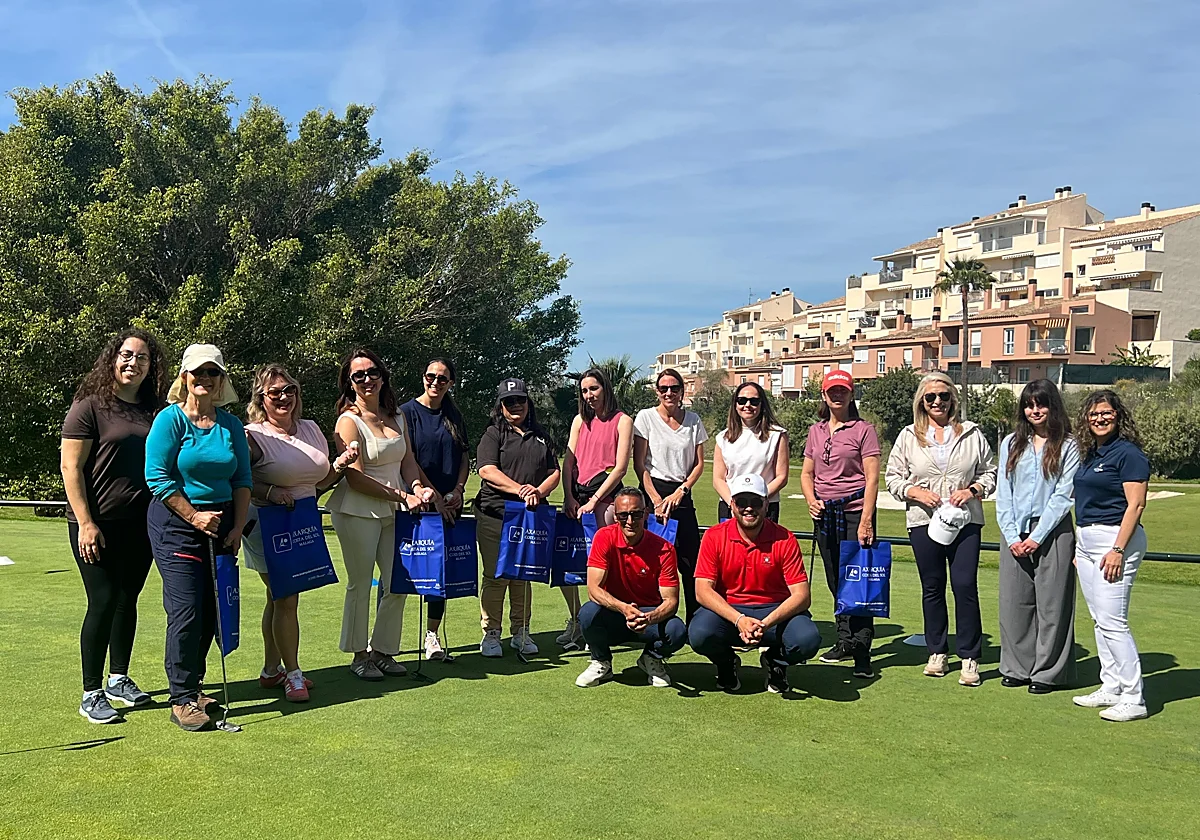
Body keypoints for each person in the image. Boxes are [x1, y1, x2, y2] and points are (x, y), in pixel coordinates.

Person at [61, 329, 167, 724]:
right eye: (126, 355)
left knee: (128, 599)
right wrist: (86, 522)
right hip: (96, 523)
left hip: (140, 524)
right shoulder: (89, 406)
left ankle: (118, 679)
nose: (133, 363)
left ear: (151, 367)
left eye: (142, 358)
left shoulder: (153, 410)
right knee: (103, 601)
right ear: (112, 359)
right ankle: (91, 693)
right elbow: (71, 467)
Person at [144, 344, 251, 731]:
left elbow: (242, 479)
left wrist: (237, 527)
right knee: (187, 608)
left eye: (213, 373)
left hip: (221, 522)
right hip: (176, 522)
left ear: (222, 380)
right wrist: (193, 515)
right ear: (184, 378)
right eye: (197, 372)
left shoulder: (231, 425)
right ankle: (181, 696)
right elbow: (157, 476)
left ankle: (195, 685)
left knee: (212, 609)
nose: (204, 379)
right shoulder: (170, 420)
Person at [242, 364, 359, 702]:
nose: (283, 398)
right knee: (286, 597)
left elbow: (315, 483)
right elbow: (242, 482)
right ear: (261, 398)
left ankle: (270, 670)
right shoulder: (253, 434)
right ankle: (292, 674)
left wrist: (339, 465)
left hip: (302, 521)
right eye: (274, 392)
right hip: (267, 523)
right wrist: (271, 493)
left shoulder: (309, 428)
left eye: (289, 390)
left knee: (277, 598)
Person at [884, 372, 997, 687]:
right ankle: (937, 651)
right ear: (922, 400)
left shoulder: (972, 434)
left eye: (943, 396)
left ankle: (970, 656)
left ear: (953, 399)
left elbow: (990, 471)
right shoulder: (909, 435)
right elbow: (892, 477)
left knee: (964, 586)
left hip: (965, 521)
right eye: (930, 397)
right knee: (932, 588)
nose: (937, 402)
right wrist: (916, 493)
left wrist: (972, 490)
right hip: (924, 521)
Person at [328, 349, 434, 681]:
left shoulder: (397, 416)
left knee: (398, 582)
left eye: (372, 372)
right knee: (360, 584)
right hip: (357, 509)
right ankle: (359, 655)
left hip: (395, 509)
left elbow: (407, 461)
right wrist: (403, 494)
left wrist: (417, 486)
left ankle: (383, 651)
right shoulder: (348, 421)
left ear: (382, 375)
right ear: (349, 382)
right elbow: (356, 477)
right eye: (358, 375)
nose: (367, 379)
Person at [689, 474, 821, 694]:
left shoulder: (785, 538)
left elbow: (802, 595)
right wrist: (739, 620)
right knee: (700, 634)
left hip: (773, 612)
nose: (748, 508)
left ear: (766, 504)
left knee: (807, 640)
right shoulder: (714, 536)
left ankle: (776, 661)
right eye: (742, 502)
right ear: (732, 505)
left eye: (755, 502)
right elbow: (702, 591)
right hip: (730, 612)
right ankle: (726, 663)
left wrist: (765, 624)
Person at [995, 379, 1080, 695]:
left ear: (1052, 406)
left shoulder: (1069, 445)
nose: (1035, 410)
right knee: (1014, 605)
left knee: (1053, 606)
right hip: (1014, 533)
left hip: (1053, 533)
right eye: (1029, 405)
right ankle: (1017, 667)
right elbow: (1004, 493)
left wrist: (1038, 536)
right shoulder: (1010, 444)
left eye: (1041, 404)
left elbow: (1063, 495)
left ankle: (1047, 673)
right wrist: (1012, 534)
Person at [1070, 389, 1150, 722]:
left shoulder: (1128, 454)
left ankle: (1134, 697)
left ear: (1118, 416)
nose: (1100, 419)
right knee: (1099, 619)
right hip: (1087, 541)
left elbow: (1136, 504)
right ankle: (1112, 684)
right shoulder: (1091, 453)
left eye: (1106, 413)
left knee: (1113, 621)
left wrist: (1117, 549)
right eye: (1093, 414)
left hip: (1116, 540)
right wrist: (1081, 548)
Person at [799, 370, 881, 677]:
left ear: (850, 394)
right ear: (823, 395)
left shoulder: (864, 430)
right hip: (825, 514)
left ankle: (862, 651)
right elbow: (807, 473)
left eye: (842, 391)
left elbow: (872, 477)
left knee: (859, 583)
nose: (837, 395)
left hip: (854, 512)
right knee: (836, 582)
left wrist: (866, 519)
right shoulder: (816, 431)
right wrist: (810, 499)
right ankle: (845, 640)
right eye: (832, 391)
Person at [474, 377, 561, 657]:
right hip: (495, 513)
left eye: (520, 400)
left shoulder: (540, 435)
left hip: (528, 516)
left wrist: (538, 490)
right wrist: (520, 490)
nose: (515, 406)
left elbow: (554, 472)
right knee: (496, 575)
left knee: (522, 575)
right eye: (509, 401)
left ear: (528, 403)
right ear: (500, 406)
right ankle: (491, 633)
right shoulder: (493, 434)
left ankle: (521, 631)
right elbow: (486, 470)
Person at [575, 488, 687, 688]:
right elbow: (593, 588)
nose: (629, 520)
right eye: (623, 515)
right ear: (615, 516)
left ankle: (650, 658)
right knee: (587, 614)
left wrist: (649, 617)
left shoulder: (664, 549)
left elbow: (671, 601)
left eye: (636, 514)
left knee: (677, 631)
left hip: (648, 615)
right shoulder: (604, 537)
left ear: (645, 514)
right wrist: (624, 608)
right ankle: (601, 661)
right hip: (615, 613)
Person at [400, 357, 472, 662]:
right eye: (431, 376)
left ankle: (432, 636)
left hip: (450, 502)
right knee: (404, 572)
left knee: (439, 573)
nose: (435, 382)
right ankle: (382, 639)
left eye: (442, 379)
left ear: (451, 383)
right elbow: (409, 460)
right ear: (423, 377)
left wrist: (456, 490)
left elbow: (465, 458)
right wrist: (434, 498)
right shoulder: (406, 413)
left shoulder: (454, 415)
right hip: (417, 502)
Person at [560, 367, 633, 648]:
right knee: (568, 561)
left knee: (605, 564)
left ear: (605, 388)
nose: (589, 395)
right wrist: (569, 496)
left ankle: (601, 624)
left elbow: (620, 467)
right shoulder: (579, 420)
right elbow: (569, 461)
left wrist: (594, 501)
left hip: (605, 499)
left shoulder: (623, 420)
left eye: (594, 389)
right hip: (576, 499)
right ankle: (577, 620)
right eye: (585, 391)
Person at [633, 368, 707, 621]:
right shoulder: (645, 418)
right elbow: (639, 464)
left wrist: (682, 491)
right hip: (653, 493)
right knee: (652, 562)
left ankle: (694, 622)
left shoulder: (694, 420)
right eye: (663, 388)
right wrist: (655, 500)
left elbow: (699, 464)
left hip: (682, 493)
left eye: (674, 388)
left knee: (689, 562)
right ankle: (651, 617)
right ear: (657, 391)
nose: (669, 393)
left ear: (682, 391)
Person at [713, 381, 788, 522]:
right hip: (731, 507)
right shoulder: (723, 437)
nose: (747, 405)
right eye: (742, 400)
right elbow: (718, 479)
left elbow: (781, 477)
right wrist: (733, 504)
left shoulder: (777, 435)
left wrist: (759, 500)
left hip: (764, 505)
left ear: (761, 404)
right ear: (735, 404)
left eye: (754, 401)